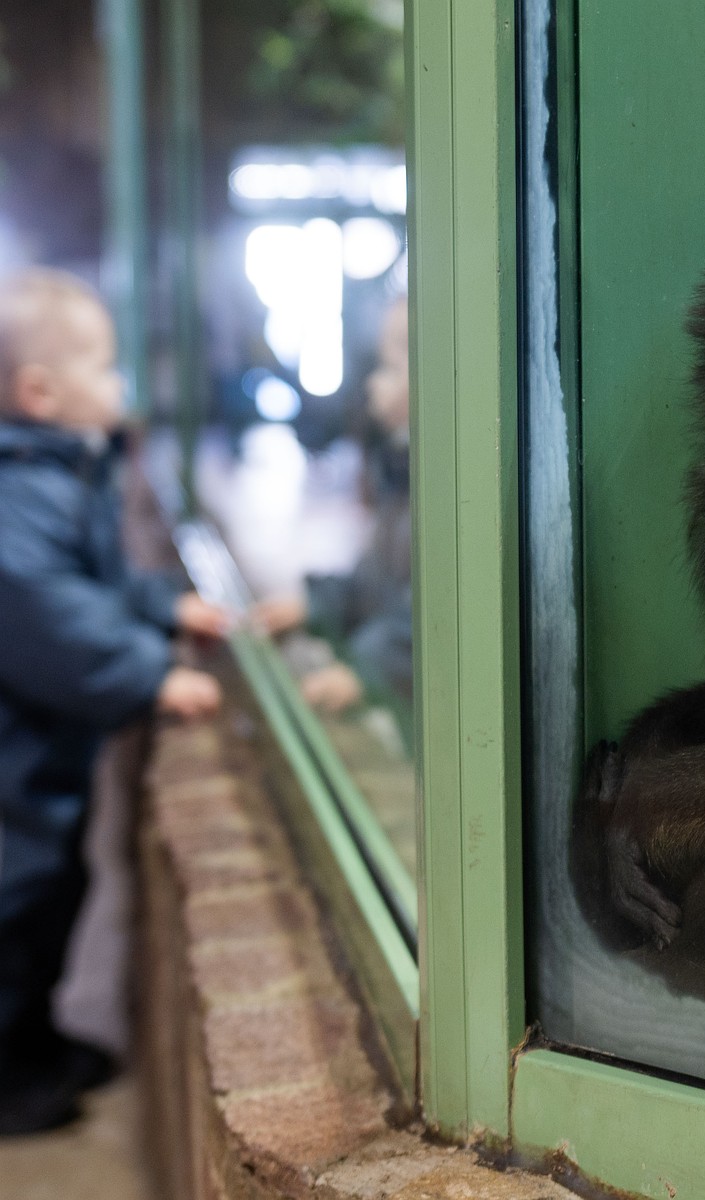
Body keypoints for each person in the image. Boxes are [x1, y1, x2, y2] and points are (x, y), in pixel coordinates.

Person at [0, 269, 227, 1136]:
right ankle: (10, 1075)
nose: (122, 384)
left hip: (39, 770)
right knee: (16, 913)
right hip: (14, 776)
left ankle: (36, 1042)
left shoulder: (61, 471)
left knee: (55, 892)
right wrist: (148, 671)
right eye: (104, 365)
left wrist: (161, 604)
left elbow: (92, 583)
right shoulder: (22, 494)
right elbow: (45, 612)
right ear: (41, 391)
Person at [255, 298, 412, 711]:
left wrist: (366, 671)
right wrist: (317, 604)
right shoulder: (401, 470)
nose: (374, 384)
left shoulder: (439, 488)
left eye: (390, 370)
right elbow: (380, 584)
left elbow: (439, 610)